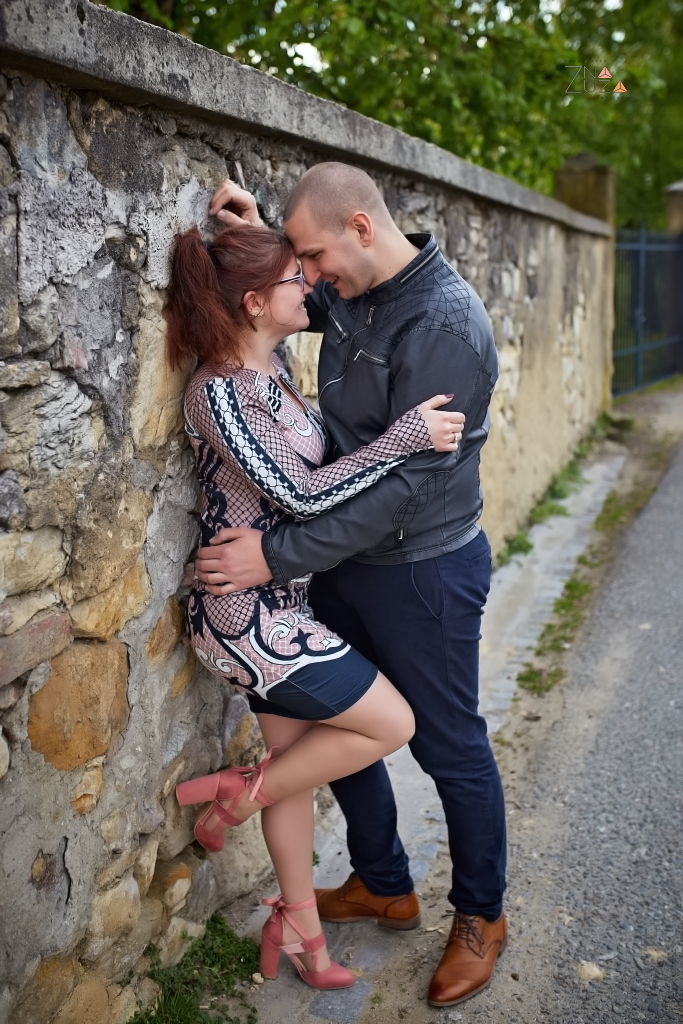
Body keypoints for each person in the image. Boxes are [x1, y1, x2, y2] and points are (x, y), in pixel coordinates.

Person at [196, 162, 508, 1009]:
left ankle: (480, 915)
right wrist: (264, 238)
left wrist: (276, 557)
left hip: (422, 569)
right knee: (341, 728)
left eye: (312, 256)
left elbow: (406, 486)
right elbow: (290, 299)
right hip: (341, 565)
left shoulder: (445, 325)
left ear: (361, 230)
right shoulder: (353, 284)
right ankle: (381, 883)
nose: (309, 275)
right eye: (300, 262)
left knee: (448, 744)